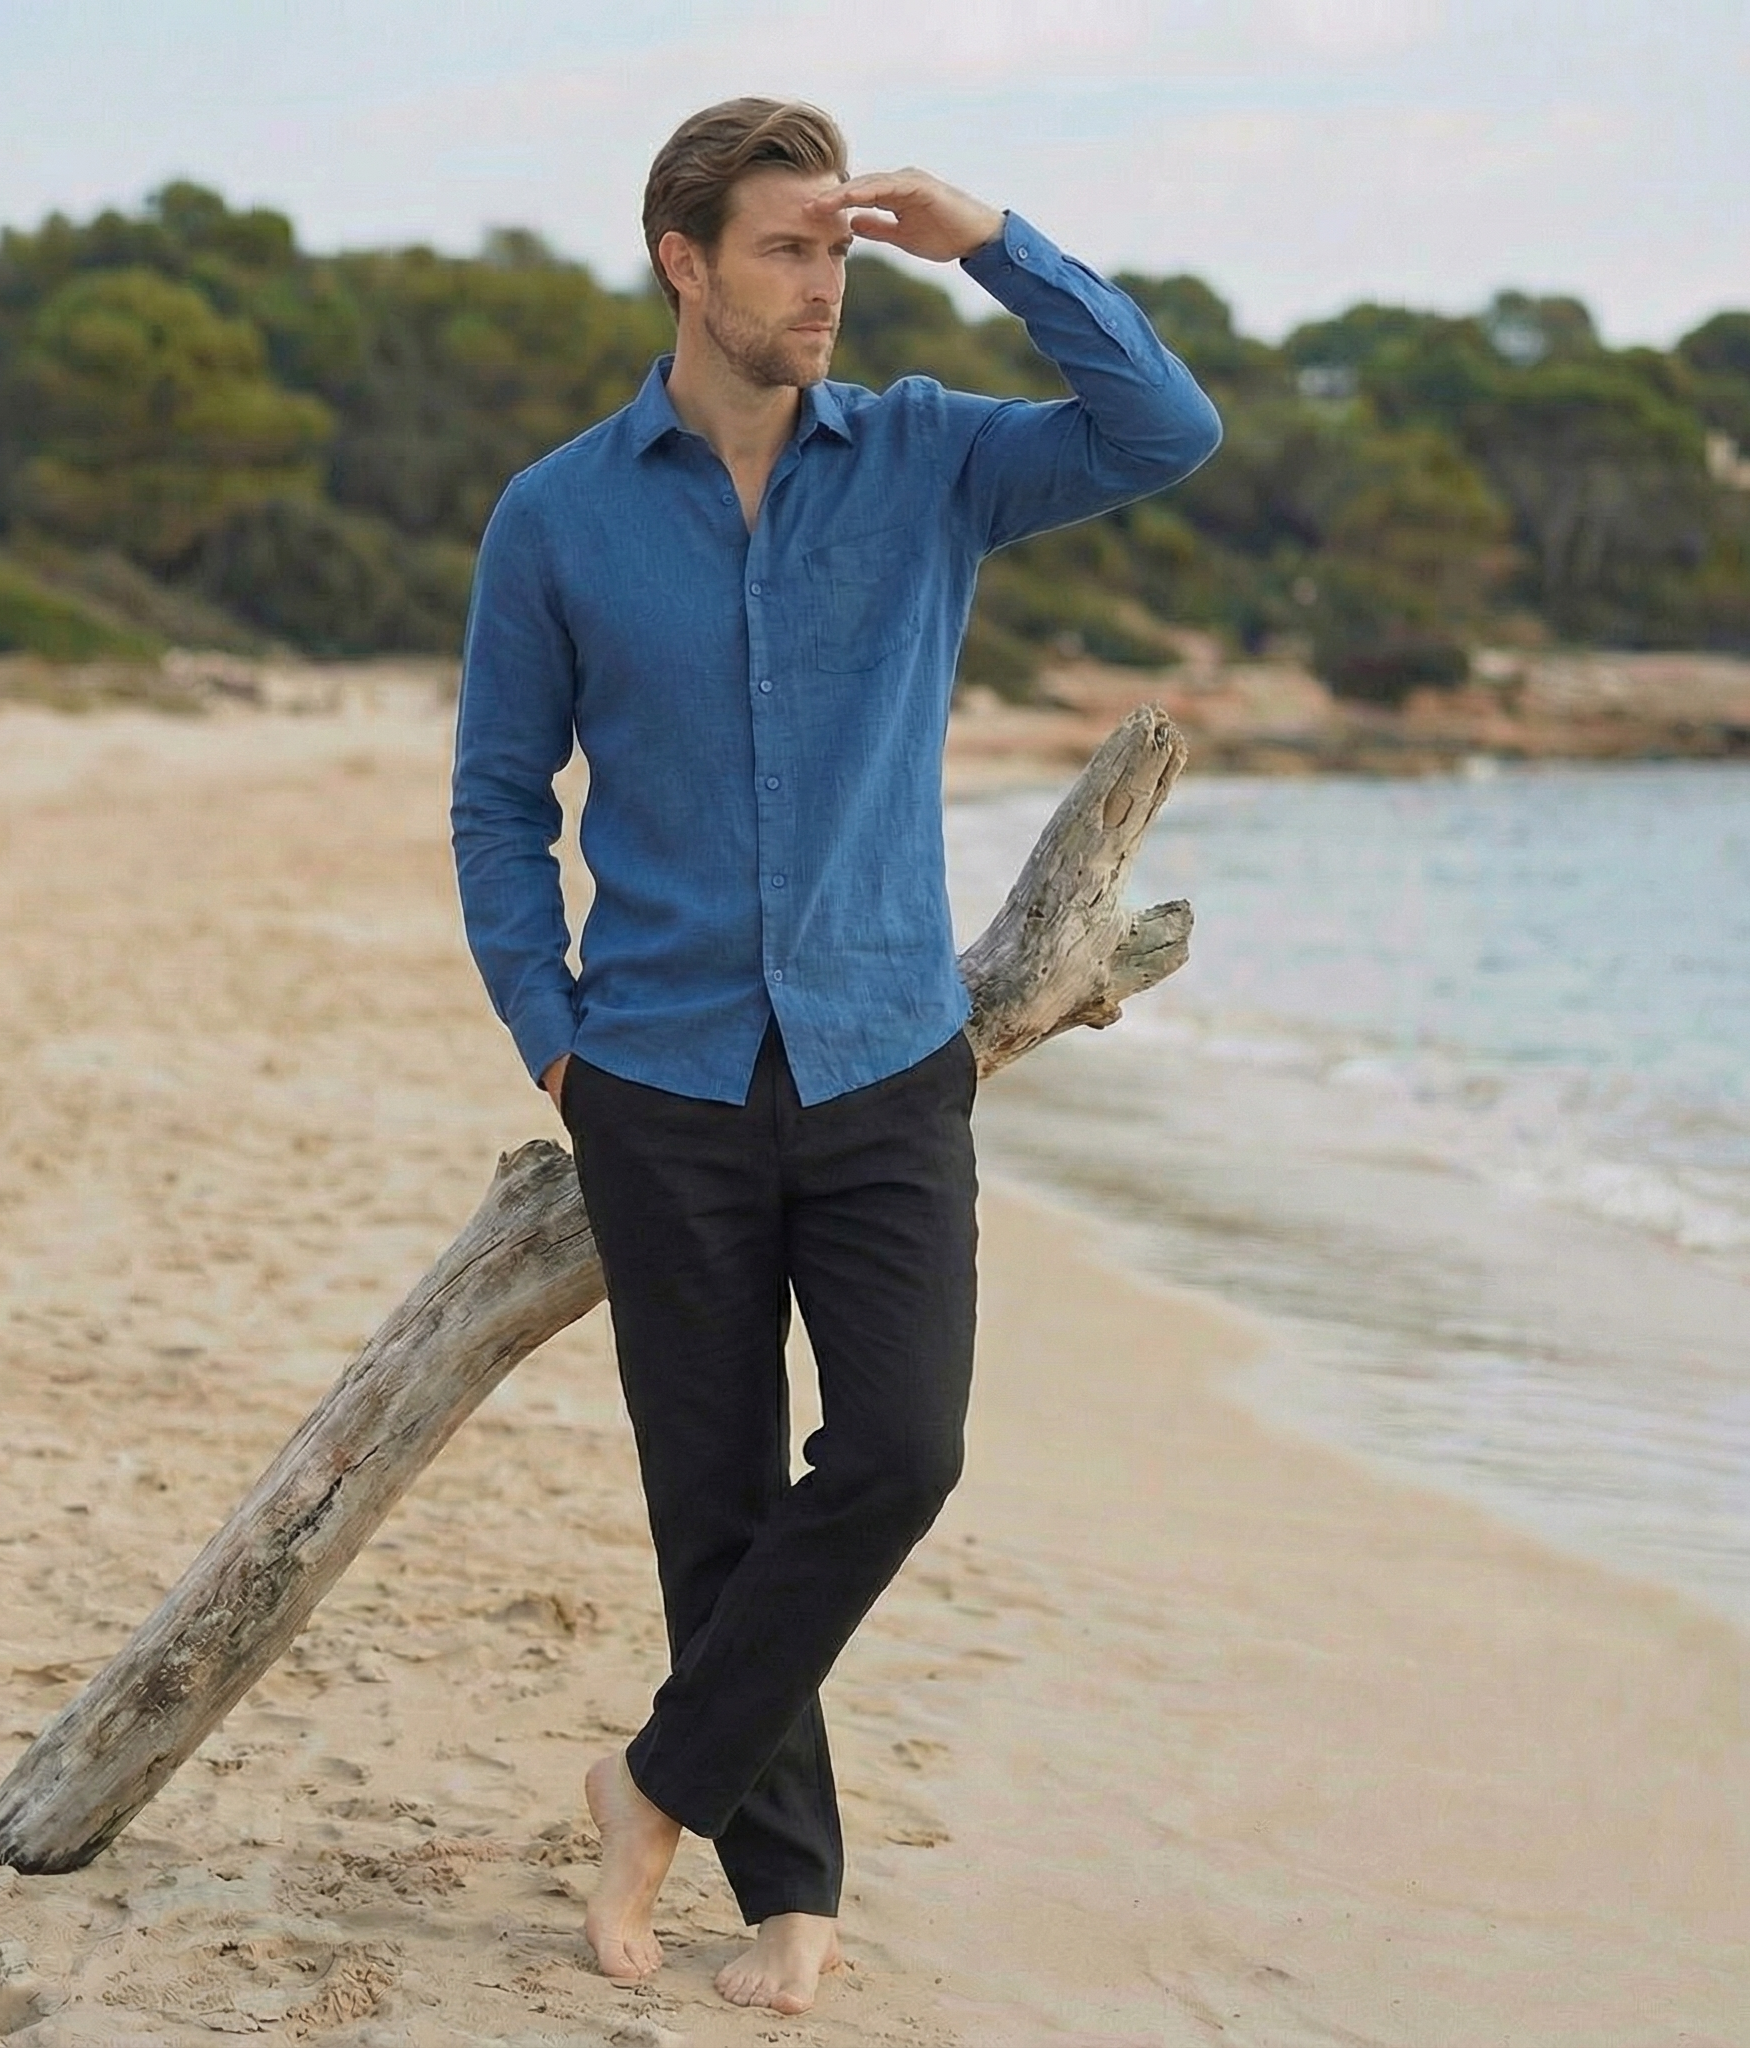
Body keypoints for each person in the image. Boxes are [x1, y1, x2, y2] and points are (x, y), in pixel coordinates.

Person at [451, 96, 1220, 2016]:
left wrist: (996, 244)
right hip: (658, 1077)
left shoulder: (933, 460)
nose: (827, 284)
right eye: (789, 248)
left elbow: (1166, 429)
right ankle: (790, 1891)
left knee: (899, 1449)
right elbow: (496, 799)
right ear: (684, 263)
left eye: (843, 248)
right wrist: (553, 1040)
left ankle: (653, 1785)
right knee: (712, 1501)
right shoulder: (558, 514)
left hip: (886, 1058)